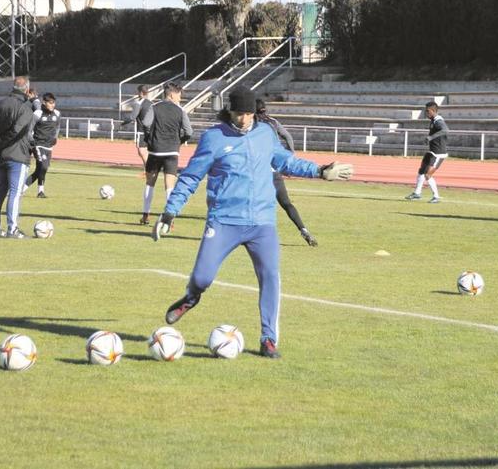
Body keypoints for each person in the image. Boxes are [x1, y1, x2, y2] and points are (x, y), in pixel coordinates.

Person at [152, 87, 354, 358]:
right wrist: (170, 212)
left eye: (249, 114)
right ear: (229, 111)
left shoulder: (265, 134)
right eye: (239, 114)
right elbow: (190, 178)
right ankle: (190, 297)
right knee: (202, 278)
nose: (244, 119)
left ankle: (268, 340)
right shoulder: (213, 138)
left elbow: (286, 162)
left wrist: (320, 170)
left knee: (270, 278)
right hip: (224, 220)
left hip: (262, 223)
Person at [255, 99, 318, 246]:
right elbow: (287, 136)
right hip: (276, 169)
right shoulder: (273, 122)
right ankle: (304, 230)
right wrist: (290, 154)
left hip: (260, 170)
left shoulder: (253, 126)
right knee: (286, 203)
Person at [0, 76, 35, 239]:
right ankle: (12, 229)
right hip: (17, 156)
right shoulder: (25, 109)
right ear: (27, 89)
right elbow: (17, 131)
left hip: (1, 157)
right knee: (15, 192)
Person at [140, 82, 192, 225]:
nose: (180, 99)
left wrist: (150, 138)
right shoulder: (180, 111)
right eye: (179, 95)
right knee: (169, 186)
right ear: (171, 94)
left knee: (150, 183)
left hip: (155, 151)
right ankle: (170, 219)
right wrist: (179, 142)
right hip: (172, 152)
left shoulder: (154, 107)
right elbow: (189, 132)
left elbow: (145, 123)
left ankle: (145, 215)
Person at [405, 101, 448, 203]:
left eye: (428, 111)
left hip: (438, 153)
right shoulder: (433, 120)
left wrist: (430, 137)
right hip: (432, 151)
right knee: (421, 170)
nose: (426, 113)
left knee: (427, 175)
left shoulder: (438, 120)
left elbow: (445, 130)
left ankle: (436, 197)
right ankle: (417, 193)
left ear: (433, 111)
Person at [25, 93, 61, 198]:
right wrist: (32, 142)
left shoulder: (57, 114)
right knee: (43, 166)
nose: (53, 105)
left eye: (54, 103)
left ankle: (25, 189)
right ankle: (40, 191)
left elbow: (58, 127)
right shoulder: (38, 113)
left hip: (49, 145)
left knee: (40, 170)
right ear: (44, 103)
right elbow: (29, 129)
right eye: (50, 103)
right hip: (38, 145)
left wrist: (55, 137)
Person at [120, 84, 154, 166]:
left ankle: (149, 170)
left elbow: (132, 117)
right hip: (151, 131)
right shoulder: (152, 104)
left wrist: (122, 124)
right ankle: (149, 169)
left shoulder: (139, 104)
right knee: (145, 151)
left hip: (141, 131)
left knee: (141, 151)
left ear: (140, 92)